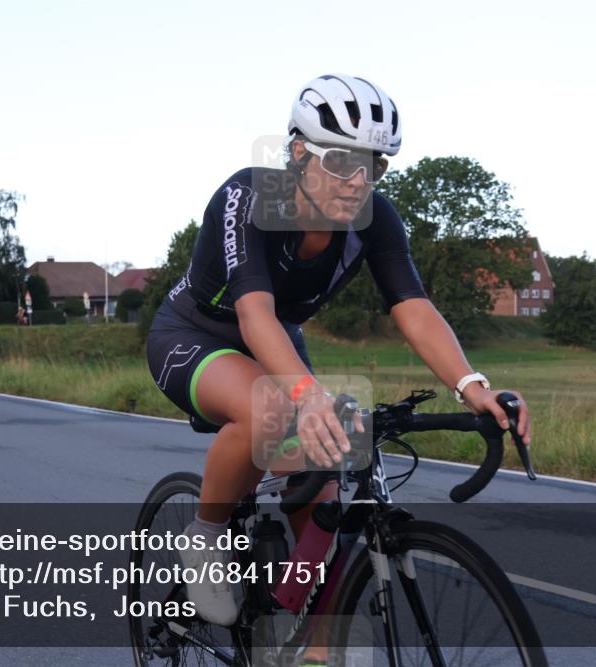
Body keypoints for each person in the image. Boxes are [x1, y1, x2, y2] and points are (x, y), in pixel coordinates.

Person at [145, 74, 532, 661]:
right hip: (196, 335)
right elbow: (253, 314)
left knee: (326, 481)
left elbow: (414, 307)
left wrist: (472, 386)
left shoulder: (376, 220)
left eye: (374, 165)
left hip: (279, 340)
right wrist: (307, 396)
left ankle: (313, 645)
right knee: (270, 409)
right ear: (299, 152)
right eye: (341, 161)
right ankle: (206, 537)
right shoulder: (249, 197)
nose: (358, 181)